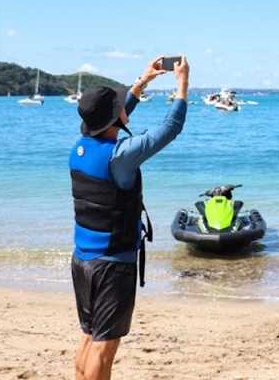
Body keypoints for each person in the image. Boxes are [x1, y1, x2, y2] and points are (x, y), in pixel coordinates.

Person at [70, 55, 189, 380]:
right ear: (113, 120)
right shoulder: (118, 158)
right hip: (111, 266)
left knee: (89, 336)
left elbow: (114, 119)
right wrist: (182, 85)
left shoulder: (81, 147)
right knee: (104, 348)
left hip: (82, 261)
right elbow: (169, 129)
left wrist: (143, 82)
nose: (126, 107)